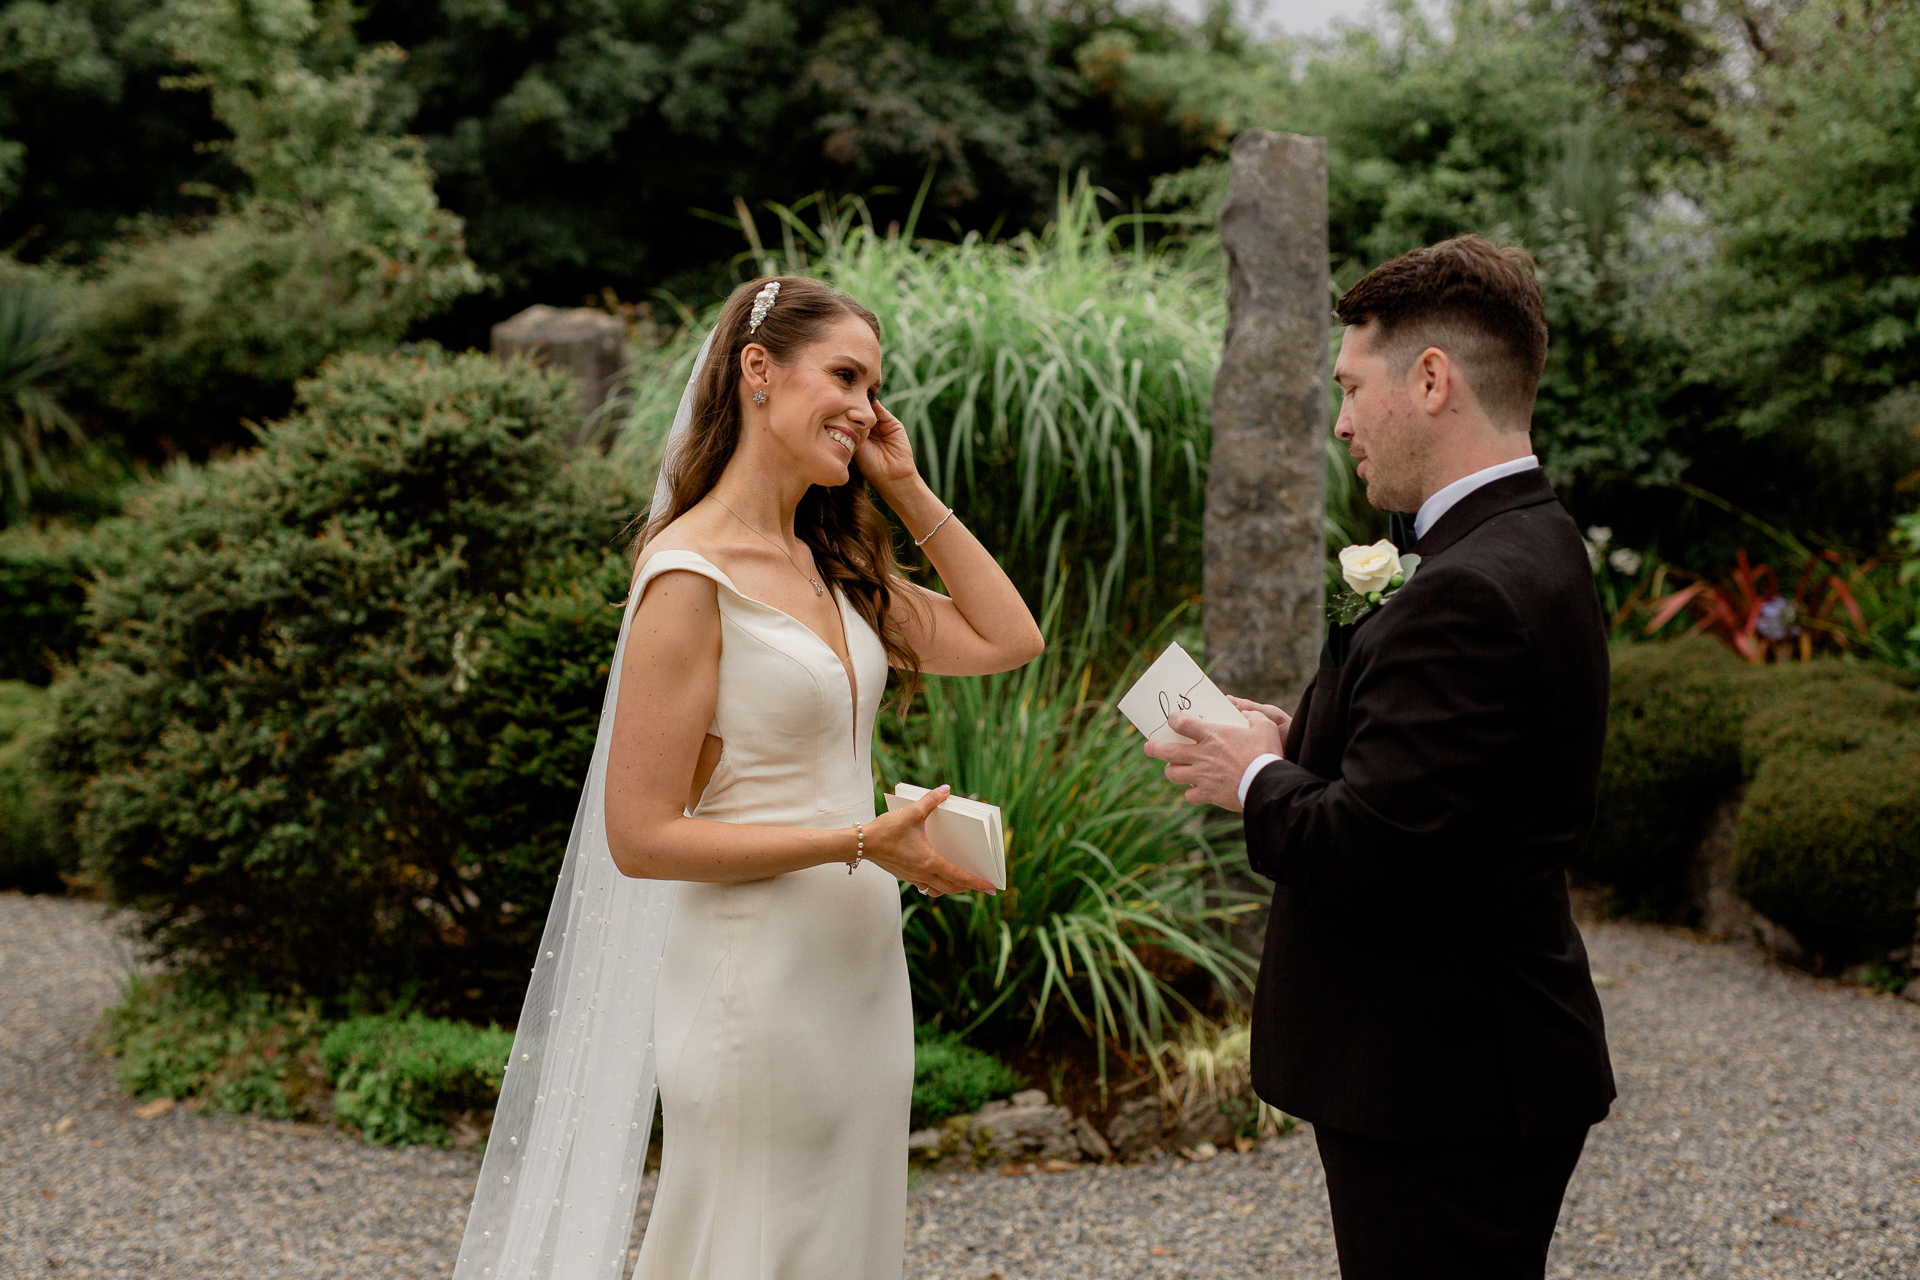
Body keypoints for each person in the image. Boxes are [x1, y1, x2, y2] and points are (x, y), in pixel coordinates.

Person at [453, 276, 1042, 1280]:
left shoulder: (831, 561)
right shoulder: (689, 577)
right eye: (845, 376)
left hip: (857, 974)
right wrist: (858, 840)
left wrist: (903, 485)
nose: (865, 406)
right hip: (752, 983)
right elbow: (639, 835)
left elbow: (1008, 635)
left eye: (875, 386)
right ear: (758, 372)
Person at [1145, 236, 1615, 1280]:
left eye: (1354, 388)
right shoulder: (1521, 539)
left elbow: (1370, 843)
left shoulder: (1467, 583)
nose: (1344, 421)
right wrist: (1284, 741)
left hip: (1445, 1076)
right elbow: (1431, 784)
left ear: (1434, 379)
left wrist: (1253, 778)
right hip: (1461, 1059)